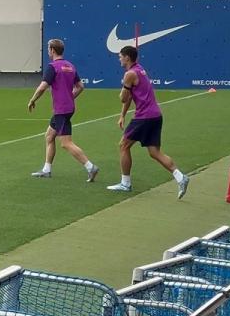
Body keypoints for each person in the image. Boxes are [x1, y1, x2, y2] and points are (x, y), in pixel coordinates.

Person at [107, 45, 190, 199]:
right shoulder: (139, 70)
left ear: (127, 57)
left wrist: (122, 90)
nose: (119, 58)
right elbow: (131, 96)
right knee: (154, 152)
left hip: (144, 116)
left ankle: (125, 183)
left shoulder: (129, 74)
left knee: (123, 145)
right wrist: (122, 115)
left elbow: (124, 97)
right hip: (155, 115)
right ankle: (180, 177)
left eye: (120, 56)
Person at [27, 39, 99, 181]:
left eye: (49, 49)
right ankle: (46, 169)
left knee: (66, 143)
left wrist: (32, 100)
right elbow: (81, 86)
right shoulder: (70, 66)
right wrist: (70, 97)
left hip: (61, 109)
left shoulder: (52, 67)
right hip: (68, 107)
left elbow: (42, 87)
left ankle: (90, 167)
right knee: (49, 136)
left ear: (53, 50)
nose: (48, 51)